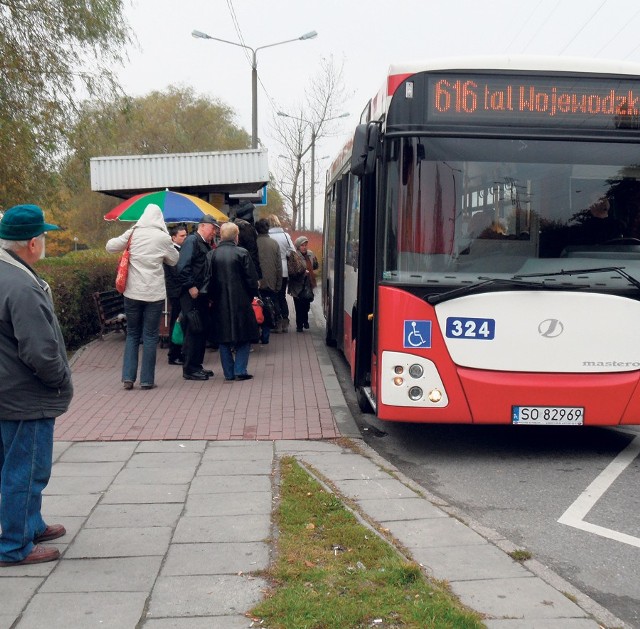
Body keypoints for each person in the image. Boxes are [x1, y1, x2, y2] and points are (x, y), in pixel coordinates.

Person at [0, 204, 74, 567]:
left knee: (15, 465)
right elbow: (39, 350)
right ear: (31, 242)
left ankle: (31, 524)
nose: (44, 241)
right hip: (24, 394)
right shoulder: (21, 284)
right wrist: (60, 378)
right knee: (26, 470)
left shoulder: (6, 272)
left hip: (8, 390)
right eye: (43, 236)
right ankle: (15, 545)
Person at [106, 203, 179, 390]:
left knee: (132, 334)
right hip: (154, 294)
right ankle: (147, 380)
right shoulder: (163, 237)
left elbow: (110, 246)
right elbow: (174, 259)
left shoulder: (134, 232)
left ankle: (128, 378)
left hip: (132, 292)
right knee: (150, 336)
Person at [204, 222, 260, 381]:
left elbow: (207, 279)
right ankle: (240, 370)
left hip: (219, 302)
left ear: (220, 236)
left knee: (223, 338)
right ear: (236, 236)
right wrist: (252, 295)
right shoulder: (242, 253)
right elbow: (251, 278)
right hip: (241, 300)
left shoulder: (212, 255)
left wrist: (211, 298)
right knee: (244, 336)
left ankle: (228, 372)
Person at [177, 215, 217, 380]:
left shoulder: (203, 243)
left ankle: (196, 365)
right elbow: (182, 266)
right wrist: (191, 286)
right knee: (194, 329)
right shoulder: (192, 241)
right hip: (191, 294)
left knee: (201, 329)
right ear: (203, 226)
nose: (214, 232)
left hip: (201, 294)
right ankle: (190, 368)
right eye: (212, 228)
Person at [255, 218, 282, 345]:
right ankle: (265, 336)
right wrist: (278, 285)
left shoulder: (253, 243)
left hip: (256, 282)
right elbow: (278, 266)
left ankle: (255, 335)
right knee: (268, 309)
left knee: (256, 308)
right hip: (271, 283)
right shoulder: (274, 244)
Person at [267, 214, 296, 332]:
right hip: (284, 270)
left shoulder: (267, 236)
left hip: (272, 270)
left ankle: (277, 321)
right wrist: (284, 256)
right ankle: (285, 320)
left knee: (273, 296)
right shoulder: (285, 235)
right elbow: (292, 251)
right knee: (282, 295)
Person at [164, 224, 187, 365]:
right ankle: (173, 353)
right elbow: (176, 272)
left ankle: (179, 351)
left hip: (179, 290)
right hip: (176, 292)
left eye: (185, 235)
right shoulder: (172, 252)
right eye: (182, 236)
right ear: (173, 238)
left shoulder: (181, 250)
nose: (185, 238)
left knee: (180, 321)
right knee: (176, 321)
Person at [288, 235, 318, 332]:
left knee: (306, 304)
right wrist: (302, 272)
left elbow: (315, 266)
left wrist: (315, 265)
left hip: (308, 284)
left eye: (306, 245)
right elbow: (292, 271)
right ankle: (299, 325)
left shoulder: (310, 254)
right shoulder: (294, 256)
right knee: (298, 305)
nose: (304, 247)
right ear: (298, 246)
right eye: (302, 245)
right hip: (297, 285)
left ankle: (305, 320)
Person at [230, 201, 262, 280]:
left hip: (234, 270)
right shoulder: (248, 229)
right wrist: (257, 275)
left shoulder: (232, 227)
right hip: (247, 271)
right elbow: (252, 253)